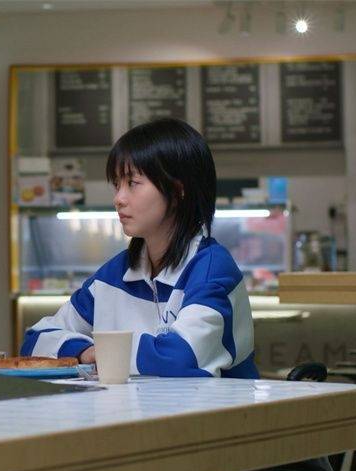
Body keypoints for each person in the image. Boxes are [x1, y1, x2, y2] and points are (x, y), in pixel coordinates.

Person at [21, 118, 258, 379]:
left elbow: (179, 360)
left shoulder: (211, 269)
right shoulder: (116, 274)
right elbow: (36, 339)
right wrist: (86, 352)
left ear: (178, 190)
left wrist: (107, 353)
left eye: (132, 183)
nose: (118, 199)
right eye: (117, 184)